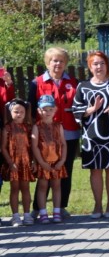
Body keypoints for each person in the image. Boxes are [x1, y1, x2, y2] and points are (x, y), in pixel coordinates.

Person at [72, 50, 109, 218]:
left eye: (102, 63)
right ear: (90, 67)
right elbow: (76, 110)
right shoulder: (83, 86)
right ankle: (97, 205)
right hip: (91, 135)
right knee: (95, 171)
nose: (99, 67)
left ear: (107, 65)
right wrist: (92, 109)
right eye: (95, 64)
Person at [27, 47, 79, 218]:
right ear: (48, 63)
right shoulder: (36, 83)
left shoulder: (74, 82)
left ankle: (61, 207)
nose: (58, 64)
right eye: (54, 60)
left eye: (61, 61)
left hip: (68, 133)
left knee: (65, 170)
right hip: (44, 135)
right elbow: (31, 109)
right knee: (44, 171)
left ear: (66, 63)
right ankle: (38, 208)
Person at [31, 95, 67, 224]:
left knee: (56, 186)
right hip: (43, 163)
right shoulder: (36, 127)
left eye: (50, 109)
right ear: (39, 111)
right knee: (42, 186)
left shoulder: (59, 126)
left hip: (57, 162)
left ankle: (56, 212)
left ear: (55, 110)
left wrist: (62, 160)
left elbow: (63, 144)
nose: (47, 112)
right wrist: (41, 162)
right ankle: (43, 213)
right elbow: (34, 146)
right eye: (44, 110)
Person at [2, 99, 35, 226]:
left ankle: (27, 214)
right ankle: (15, 216)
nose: (19, 114)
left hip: (25, 163)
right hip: (13, 163)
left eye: (22, 112)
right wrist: (10, 163)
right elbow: (3, 147)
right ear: (10, 112)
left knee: (26, 188)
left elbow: (33, 146)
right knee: (14, 189)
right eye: (16, 111)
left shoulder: (28, 128)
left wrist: (33, 161)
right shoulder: (7, 128)